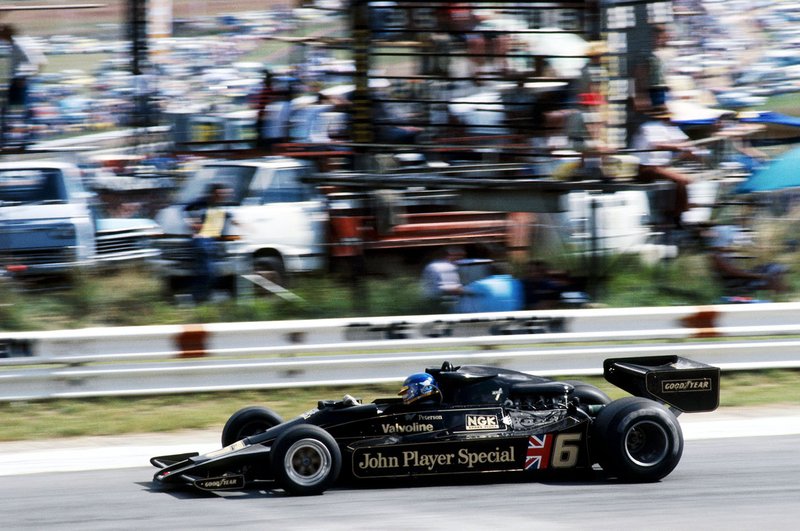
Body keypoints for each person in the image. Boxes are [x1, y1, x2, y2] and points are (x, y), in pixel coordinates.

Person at [631, 104, 701, 229]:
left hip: (662, 166)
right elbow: (657, 145)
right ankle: (677, 215)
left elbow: (684, 141)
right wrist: (678, 147)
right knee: (681, 180)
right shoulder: (648, 127)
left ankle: (677, 211)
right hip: (646, 167)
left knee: (686, 179)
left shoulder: (669, 128)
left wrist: (692, 149)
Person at [184, 183, 236, 303]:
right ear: (213, 193)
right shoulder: (202, 203)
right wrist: (192, 223)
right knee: (206, 271)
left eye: (224, 194)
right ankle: (198, 298)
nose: (223, 196)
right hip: (202, 240)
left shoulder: (220, 206)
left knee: (209, 271)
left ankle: (201, 297)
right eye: (220, 194)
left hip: (211, 241)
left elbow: (229, 216)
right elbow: (185, 210)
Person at [708, 225, 789, 295]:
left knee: (772, 267)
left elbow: (735, 270)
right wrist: (758, 276)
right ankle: (782, 294)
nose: (730, 241)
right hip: (736, 284)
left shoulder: (719, 253)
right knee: (772, 272)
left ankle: (782, 292)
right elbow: (734, 273)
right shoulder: (717, 256)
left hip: (740, 279)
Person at [420, 246, 466, 312]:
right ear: (449, 255)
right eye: (459, 255)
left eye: (462, 255)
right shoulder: (442, 267)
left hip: (442, 300)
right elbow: (448, 288)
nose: (461, 258)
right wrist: (471, 290)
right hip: (439, 303)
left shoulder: (450, 266)